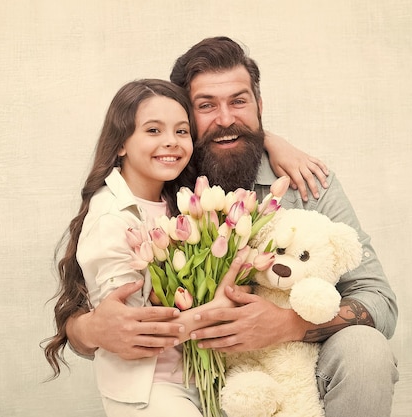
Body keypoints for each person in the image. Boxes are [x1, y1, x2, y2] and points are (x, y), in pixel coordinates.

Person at [65, 36, 399, 417]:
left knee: (366, 348)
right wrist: (93, 329)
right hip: (193, 379)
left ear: (259, 105)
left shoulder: (305, 181)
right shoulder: (167, 179)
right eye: (206, 106)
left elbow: (380, 301)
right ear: (187, 117)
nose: (225, 119)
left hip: (294, 372)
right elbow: (80, 308)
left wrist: (286, 325)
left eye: (239, 102)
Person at [43, 78, 315, 416]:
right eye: (153, 131)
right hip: (150, 389)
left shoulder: (178, 197)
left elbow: (229, 132)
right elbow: (134, 332)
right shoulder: (112, 217)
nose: (170, 142)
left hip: (203, 380)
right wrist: (215, 308)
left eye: (182, 131)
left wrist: (274, 143)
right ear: (120, 143)